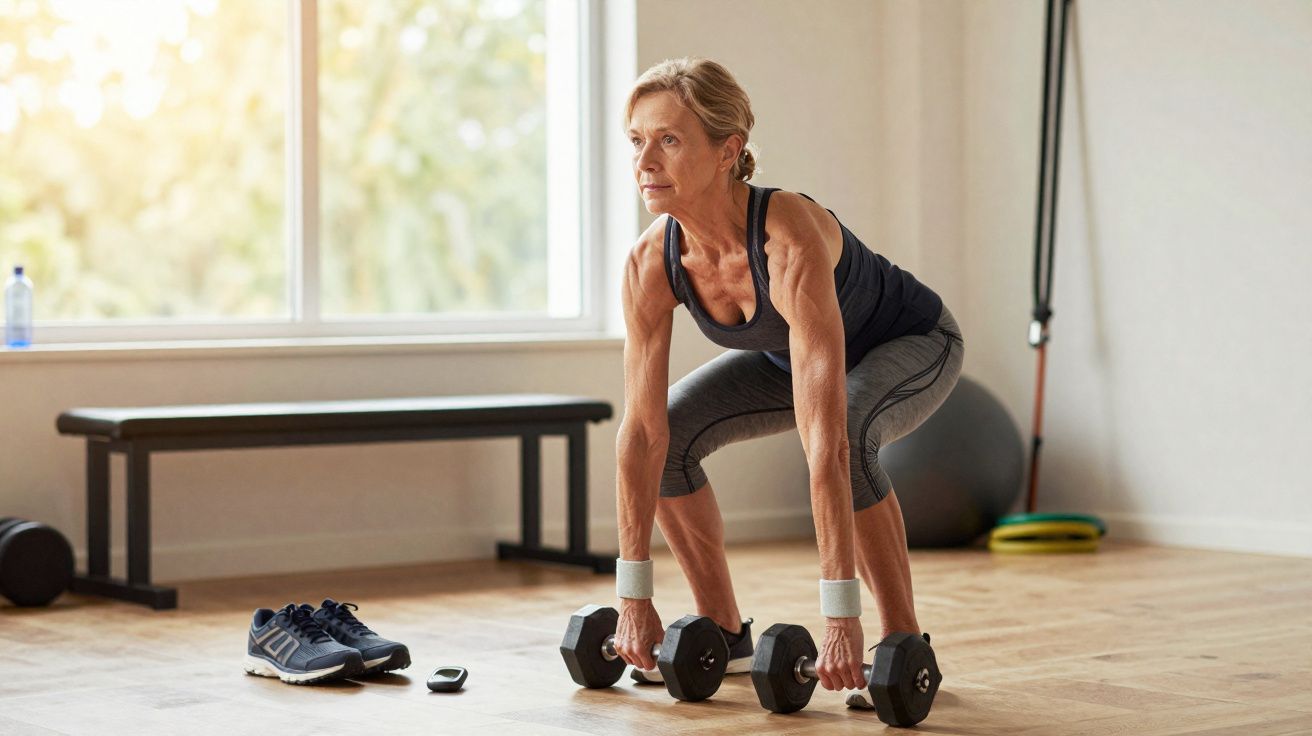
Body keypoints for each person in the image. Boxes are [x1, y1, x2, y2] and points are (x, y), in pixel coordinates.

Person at [612, 57, 964, 696]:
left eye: (668, 140)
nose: (645, 162)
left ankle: (902, 642)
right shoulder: (651, 262)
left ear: (728, 151)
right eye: (637, 141)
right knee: (674, 431)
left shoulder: (787, 234)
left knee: (849, 433)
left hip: (911, 342)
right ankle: (724, 630)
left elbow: (824, 442)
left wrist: (839, 619)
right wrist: (632, 595)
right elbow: (641, 431)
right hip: (785, 358)